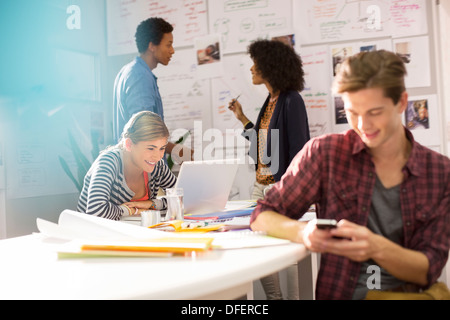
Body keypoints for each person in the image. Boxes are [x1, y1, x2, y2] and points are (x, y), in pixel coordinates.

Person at [250, 50, 450, 300]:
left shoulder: (440, 173)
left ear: (401, 102)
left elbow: (428, 269)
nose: (363, 126)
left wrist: (375, 246)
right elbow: (262, 215)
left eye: (375, 112)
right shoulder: (326, 153)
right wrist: (304, 233)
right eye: (352, 113)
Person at [228, 39, 310, 299]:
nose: (251, 69)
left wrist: (289, 190)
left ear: (269, 66)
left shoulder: (291, 100)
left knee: (287, 249)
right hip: (259, 186)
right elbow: (263, 146)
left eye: (255, 64)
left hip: (279, 188)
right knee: (258, 246)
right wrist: (242, 118)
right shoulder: (270, 99)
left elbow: (299, 151)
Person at [78, 111, 176, 220]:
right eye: (150, 148)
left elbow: (184, 197)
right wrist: (133, 210)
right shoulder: (109, 162)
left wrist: (151, 204)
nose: (158, 157)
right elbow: (96, 210)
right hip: (94, 234)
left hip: (132, 232)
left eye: (162, 148)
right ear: (129, 144)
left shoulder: (157, 166)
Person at [113, 17, 178, 156]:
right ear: (152, 46)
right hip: (142, 169)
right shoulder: (140, 76)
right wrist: (179, 151)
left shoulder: (130, 71)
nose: (172, 51)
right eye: (168, 45)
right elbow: (145, 132)